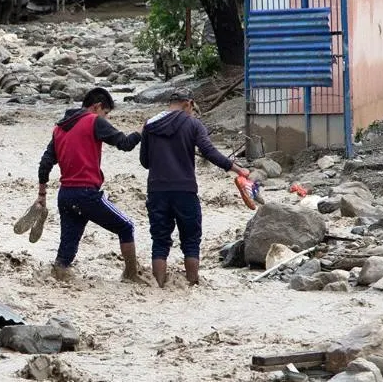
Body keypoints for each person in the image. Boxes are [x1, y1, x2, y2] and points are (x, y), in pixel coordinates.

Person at [139, 89, 251, 288]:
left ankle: (158, 286)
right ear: (188, 104)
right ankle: (192, 284)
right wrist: (237, 169)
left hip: (156, 190)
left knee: (160, 240)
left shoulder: (150, 124)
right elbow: (208, 152)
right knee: (191, 240)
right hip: (185, 190)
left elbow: (145, 161)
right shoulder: (193, 124)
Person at [37, 87, 143, 281]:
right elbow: (125, 144)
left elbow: (45, 163)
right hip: (86, 194)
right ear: (97, 107)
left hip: (65, 195)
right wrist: (142, 131)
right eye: (106, 113)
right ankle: (131, 275)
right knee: (126, 227)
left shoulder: (59, 128)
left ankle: (57, 278)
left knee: (66, 251)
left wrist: (42, 194)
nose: (106, 118)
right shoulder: (94, 121)